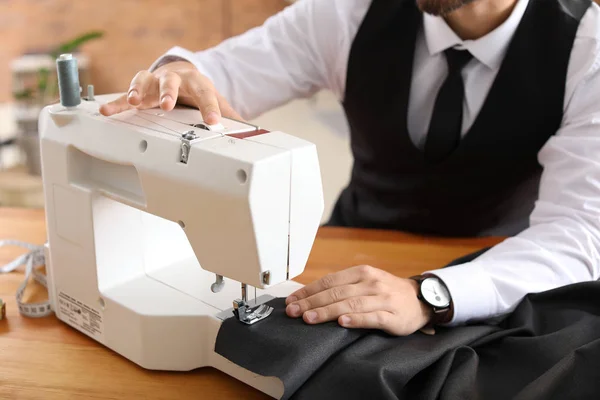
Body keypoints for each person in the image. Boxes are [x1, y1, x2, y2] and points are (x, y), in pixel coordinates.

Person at [100, 0, 600, 337]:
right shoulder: (345, 13)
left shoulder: (588, 50)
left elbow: (579, 234)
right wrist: (179, 73)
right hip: (353, 245)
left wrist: (432, 293)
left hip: (501, 273)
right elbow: (217, 78)